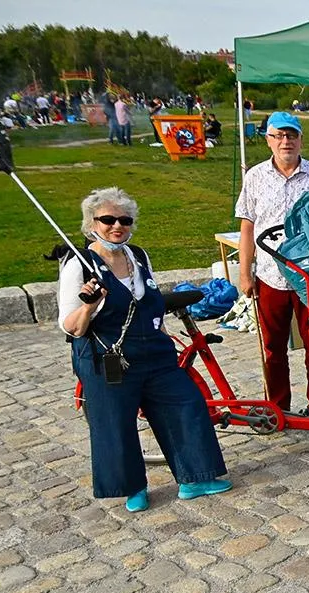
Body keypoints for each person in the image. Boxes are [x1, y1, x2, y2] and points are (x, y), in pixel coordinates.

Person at [59, 187, 231, 512]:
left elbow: (149, 303)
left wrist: (164, 335)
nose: (116, 226)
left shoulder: (138, 256)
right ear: (91, 223)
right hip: (107, 357)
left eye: (124, 220)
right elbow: (71, 327)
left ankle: (197, 478)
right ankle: (133, 487)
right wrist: (89, 306)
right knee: (115, 422)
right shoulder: (79, 266)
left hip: (154, 352)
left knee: (186, 406)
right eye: (108, 220)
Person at [236, 111, 309, 415]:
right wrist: (245, 274)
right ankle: (277, 407)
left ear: (301, 139)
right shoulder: (255, 177)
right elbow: (247, 227)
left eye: (292, 136)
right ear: (268, 140)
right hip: (271, 276)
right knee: (272, 349)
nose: (286, 141)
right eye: (279, 136)